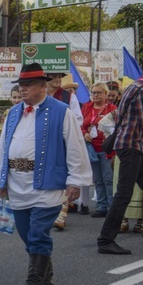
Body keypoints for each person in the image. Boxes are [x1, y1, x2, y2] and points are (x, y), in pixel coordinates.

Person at [0, 63, 92, 285]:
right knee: (27, 234)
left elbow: (75, 147)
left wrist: (75, 180)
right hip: (17, 182)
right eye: (21, 85)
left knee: (38, 233)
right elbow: (3, 147)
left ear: (42, 86)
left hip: (47, 182)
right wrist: (0, 177)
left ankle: (34, 282)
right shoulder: (14, 112)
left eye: (27, 85)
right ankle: (46, 276)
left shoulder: (61, 111)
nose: (23, 90)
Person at [97, 77, 143, 254]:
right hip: (131, 146)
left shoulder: (133, 86)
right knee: (124, 193)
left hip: (131, 145)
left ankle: (106, 239)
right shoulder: (142, 90)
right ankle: (105, 240)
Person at [45, 70, 84, 231]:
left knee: (64, 175)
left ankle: (62, 213)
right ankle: (50, 210)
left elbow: (78, 119)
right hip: (44, 144)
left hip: (63, 142)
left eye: (59, 77)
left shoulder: (69, 97)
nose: (57, 79)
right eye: (53, 76)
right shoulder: (41, 97)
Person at [98, 111, 143, 234]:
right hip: (132, 151)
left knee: (130, 191)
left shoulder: (128, 101)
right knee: (124, 191)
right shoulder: (137, 97)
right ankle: (121, 222)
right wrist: (116, 132)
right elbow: (104, 122)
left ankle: (139, 221)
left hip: (130, 150)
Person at [81, 82, 117, 219]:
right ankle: (102, 206)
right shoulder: (86, 107)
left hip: (106, 148)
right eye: (93, 92)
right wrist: (84, 133)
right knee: (97, 179)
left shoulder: (112, 108)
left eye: (98, 92)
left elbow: (116, 127)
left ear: (105, 94)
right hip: (91, 148)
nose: (95, 95)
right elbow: (81, 125)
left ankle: (112, 206)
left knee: (108, 178)